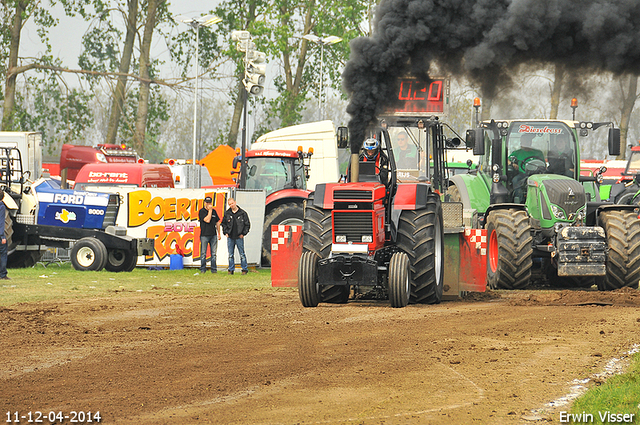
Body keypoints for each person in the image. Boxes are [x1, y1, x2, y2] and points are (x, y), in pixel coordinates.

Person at [509, 133, 545, 202]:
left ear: (530, 142)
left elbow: (543, 165)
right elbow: (507, 160)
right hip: (523, 174)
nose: (526, 143)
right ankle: (518, 201)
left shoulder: (538, 153)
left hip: (538, 175)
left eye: (527, 141)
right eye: (524, 141)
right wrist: (512, 163)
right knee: (515, 180)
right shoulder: (517, 153)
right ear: (521, 142)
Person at [222, 197, 250, 275]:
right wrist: (225, 232)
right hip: (230, 237)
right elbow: (223, 224)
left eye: (232, 203)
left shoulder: (242, 213)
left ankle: (244, 269)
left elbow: (247, 224)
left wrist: (243, 233)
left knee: (242, 254)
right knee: (230, 255)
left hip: (239, 236)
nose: (231, 205)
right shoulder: (227, 213)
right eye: (230, 204)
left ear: (235, 202)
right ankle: (231, 270)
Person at [198, 196, 221, 274]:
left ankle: (214, 270)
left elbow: (217, 222)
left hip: (213, 235)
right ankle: (203, 269)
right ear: (204, 203)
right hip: (204, 235)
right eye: (207, 202)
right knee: (203, 253)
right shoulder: (202, 211)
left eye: (209, 202)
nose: (208, 204)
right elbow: (207, 220)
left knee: (213, 254)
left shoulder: (214, 211)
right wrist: (210, 211)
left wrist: (219, 233)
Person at [0, 191, 7, 280]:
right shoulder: (1, 206)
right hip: (0, 234)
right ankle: (2, 274)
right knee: (3, 253)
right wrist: (2, 236)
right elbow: (1, 222)